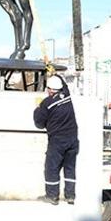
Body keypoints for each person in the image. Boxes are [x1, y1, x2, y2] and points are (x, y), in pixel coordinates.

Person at [33, 75, 78, 205]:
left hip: (57, 141)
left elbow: (39, 124)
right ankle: (70, 196)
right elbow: (64, 84)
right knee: (69, 168)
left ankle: (52, 196)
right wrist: (55, 74)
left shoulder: (47, 104)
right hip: (73, 140)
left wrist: (37, 108)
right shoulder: (67, 96)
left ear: (50, 90)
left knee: (51, 168)